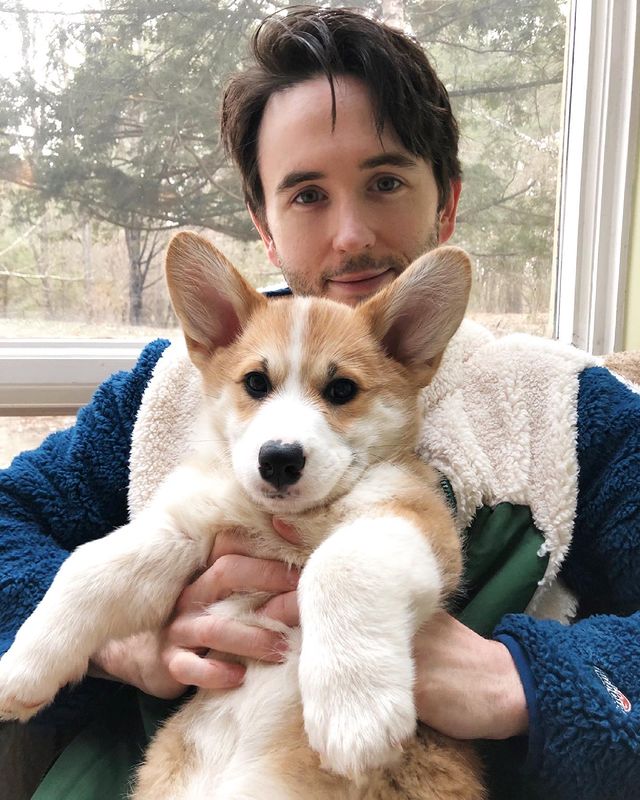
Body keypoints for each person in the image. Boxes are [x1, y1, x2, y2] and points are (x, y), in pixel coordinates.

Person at [1, 7, 638, 800]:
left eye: (384, 181)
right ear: (264, 227)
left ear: (446, 201)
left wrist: (527, 679)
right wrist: (124, 646)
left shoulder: (567, 408)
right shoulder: (161, 391)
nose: (349, 234)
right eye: (306, 195)